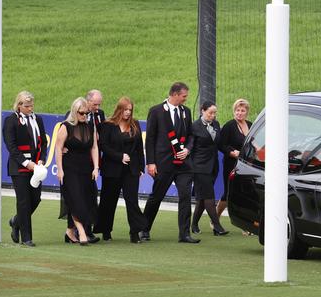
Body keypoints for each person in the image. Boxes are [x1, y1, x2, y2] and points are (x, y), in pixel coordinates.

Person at [141, 82, 199, 243]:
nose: (185, 99)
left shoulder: (186, 112)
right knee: (156, 197)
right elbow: (150, 138)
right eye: (184, 96)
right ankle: (144, 229)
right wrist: (150, 163)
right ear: (174, 94)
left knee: (186, 197)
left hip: (184, 165)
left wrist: (187, 149)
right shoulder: (156, 111)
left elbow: (191, 136)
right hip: (163, 163)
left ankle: (184, 234)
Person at [93, 97, 147, 243]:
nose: (128, 113)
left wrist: (141, 167)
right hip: (112, 169)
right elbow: (104, 146)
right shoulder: (108, 125)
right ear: (119, 109)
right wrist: (119, 157)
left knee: (132, 201)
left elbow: (139, 148)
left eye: (130, 110)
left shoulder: (135, 124)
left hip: (131, 170)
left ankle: (135, 232)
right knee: (108, 201)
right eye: (125, 110)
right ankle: (105, 230)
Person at [3, 91, 48, 247]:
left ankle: (16, 221)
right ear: (19, 105)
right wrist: (26, 162)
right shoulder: (11, 121)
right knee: (24, 201)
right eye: (27, 106)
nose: (30, 108)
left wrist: (42, 159)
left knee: (36, 199)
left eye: (31, 105)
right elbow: (11, 147)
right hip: (19, 168)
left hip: (36, 167)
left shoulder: (38, 119)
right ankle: (26, 237)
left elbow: (43, 143)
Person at [56, 97, 99, 245]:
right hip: (70, 169)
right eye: (81, 113)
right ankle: (81, 232)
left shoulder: (90, 126)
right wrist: (60, 170)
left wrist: (96, 167)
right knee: (75, 199)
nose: (84, 116)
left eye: (86, 113)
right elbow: (58, 148)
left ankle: (69, 232)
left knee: (87, 200)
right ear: (75, 112)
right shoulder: (65, 126)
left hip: (86, 169)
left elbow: (94, 147)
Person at [190, 102, 228, 236]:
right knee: (209, 196)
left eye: (214, 113)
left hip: (213, 166)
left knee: (202, 197)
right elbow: (190, 147)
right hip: (199, 167)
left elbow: (219, 144)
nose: (213, 115)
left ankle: (194, 224)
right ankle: (217, 226)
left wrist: (232, 152)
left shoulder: (216, 125)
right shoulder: (194, 126)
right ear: (202, 111)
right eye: (210, 112)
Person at [216, 99, 252, 220]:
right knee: (228, 194)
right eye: (237, 110)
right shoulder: (229, 126)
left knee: (244, 194)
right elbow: (221, 145)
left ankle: (244, 222)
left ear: (247, 112)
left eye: (242, 110)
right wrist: (232, 153)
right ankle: (215, 218)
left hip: (247, 165)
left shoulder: (251, 125)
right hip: (231, 164)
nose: (239, 113)